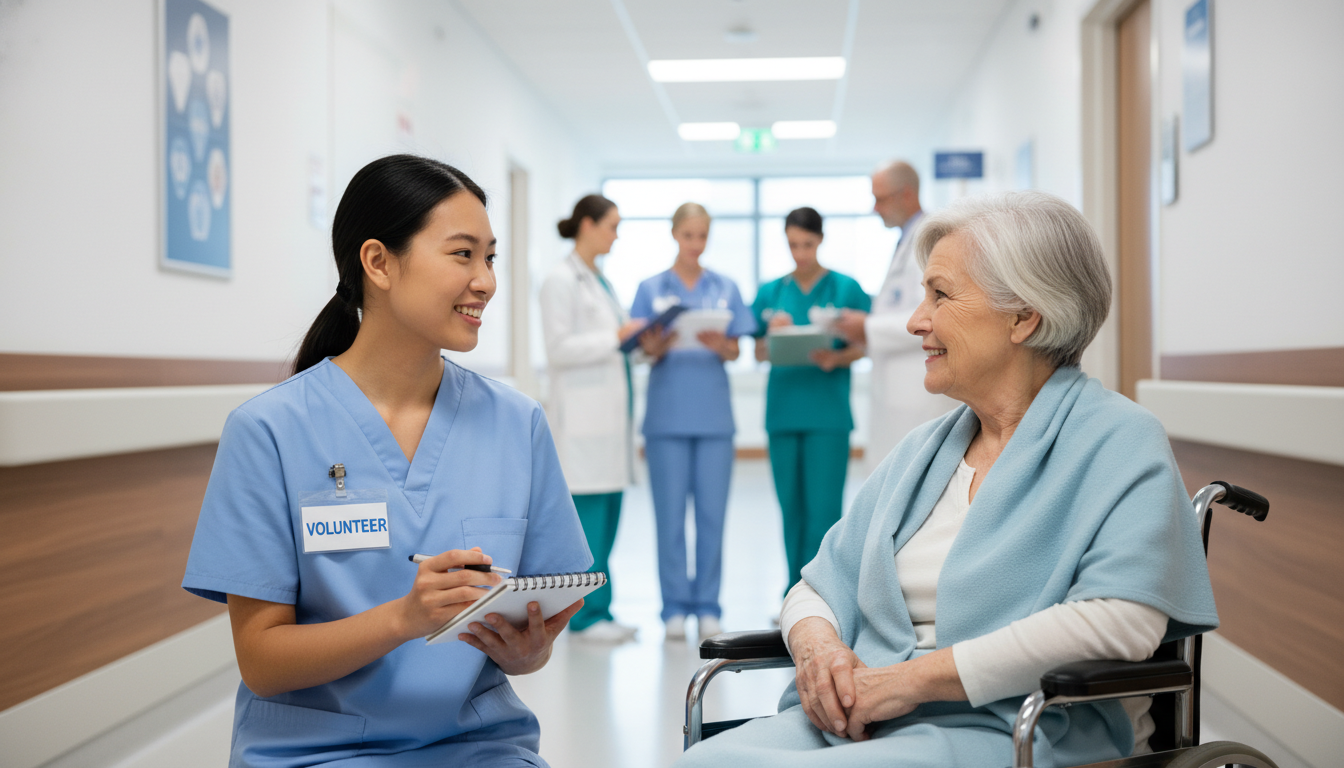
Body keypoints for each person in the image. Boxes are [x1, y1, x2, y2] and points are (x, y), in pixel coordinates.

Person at [676, 191, 1219, 767]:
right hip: (862, 720)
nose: (915, 321)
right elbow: (815, 585)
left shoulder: (1117, 439)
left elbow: (1121, 621)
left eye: (940, 294)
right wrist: (819, 651)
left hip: (1017, 726)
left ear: (1024, 316)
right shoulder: (925, 452)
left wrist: (907, 682)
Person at [182, 155, 591, 768]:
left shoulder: (517, 424)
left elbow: (536, 646)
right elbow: (262, 663)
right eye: (462, 254)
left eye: (490, 257)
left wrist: (524, 648)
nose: (486, 280)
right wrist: (403, 618)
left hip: (477, 749)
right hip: (315, 754)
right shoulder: (269, 431)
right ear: (378, 263)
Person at [630, 202, 757, 642]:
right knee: (668, 519)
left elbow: (737, 349)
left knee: (710, 517)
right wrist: (656, 347)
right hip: (666, 419)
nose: (695, 244)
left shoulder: (725, 287)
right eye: (688, 235)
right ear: (674, 235)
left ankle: (707, 605)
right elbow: (640, 349)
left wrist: (723, 346)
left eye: (702, 236)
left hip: (714, 419)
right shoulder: (651, 289)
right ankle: (673, 609)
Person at [539, 193, 646, 643]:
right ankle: (583, 616)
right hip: (583, 425)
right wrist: (615, 336)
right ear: (587, 224)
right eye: (611, 225)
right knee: (589, 526)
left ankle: (602, 608)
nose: (616, 234)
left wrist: (638, 343)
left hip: (609, 423)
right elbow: (559, 349)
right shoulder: (560, 280)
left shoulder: (599, 281)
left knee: (609, 520)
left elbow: (614, 347)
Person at [751, 207, 871, 597]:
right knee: (792, 510)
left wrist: (836, 357)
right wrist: (772, 338)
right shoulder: (772, 292)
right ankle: (793, 593)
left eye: (807, 244)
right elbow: (757, 353)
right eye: (792, 245)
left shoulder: (845, 287)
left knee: (823, 509)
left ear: (820, 240)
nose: (800, 253)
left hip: (827, 415)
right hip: (783, 414)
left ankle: (824, 594)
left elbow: (866, 344)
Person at [834, 160, 955, 472]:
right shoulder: (908, 239)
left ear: (906, 194)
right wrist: (863, 328)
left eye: (881, 198)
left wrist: (868, 327)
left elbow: (932, 314)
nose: (876, 208)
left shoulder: (931, 240)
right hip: (897, 390)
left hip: (918, 393)